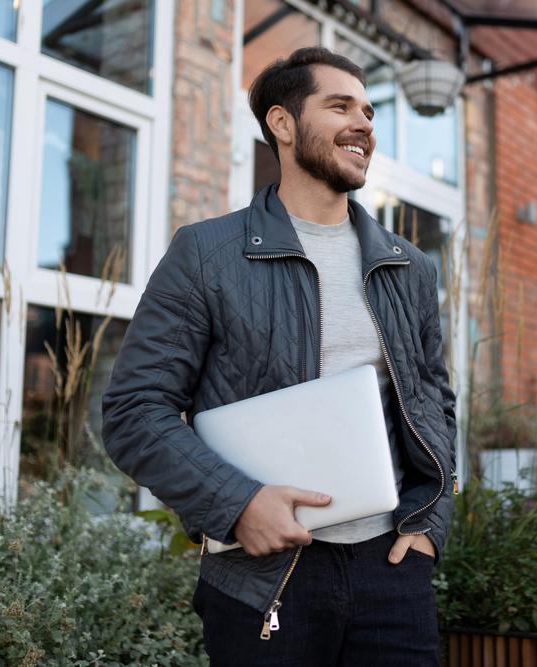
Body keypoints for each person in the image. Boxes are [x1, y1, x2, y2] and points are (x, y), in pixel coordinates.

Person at [101, 46, 457, 666]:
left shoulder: (409, 266)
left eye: (369, 111)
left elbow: (435, 402)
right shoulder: (207, 254)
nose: (365, 123)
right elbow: (134, 411)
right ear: (282, 124)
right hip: (263, 576)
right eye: (339, 105)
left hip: (391, 571)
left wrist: (430, 527)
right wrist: (236, 504)